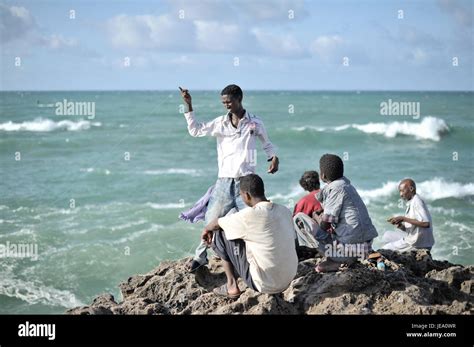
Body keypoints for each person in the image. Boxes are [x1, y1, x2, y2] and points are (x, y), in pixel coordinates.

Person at [179, 85, 280, 273]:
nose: (226, 105)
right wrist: (189, 105)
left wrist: (273, 157)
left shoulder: (255, 123)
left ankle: (262, 258)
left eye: (229, 102)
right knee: (211, 220)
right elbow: (195, 130)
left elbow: (267, 144)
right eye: (223, 102)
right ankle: (200, 257)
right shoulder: (220, 123)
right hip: (224, 182)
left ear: (239, 99)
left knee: (256, 220)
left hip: (247, 183)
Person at [201, 174, 298, 297]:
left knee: (220, 231)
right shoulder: (284, 210)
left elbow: (216, 223)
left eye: (241, 195)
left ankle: (231, 285)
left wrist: (206, 229)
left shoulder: (248, 216)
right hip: (289, 278)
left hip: (264, 284)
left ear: (246, 195)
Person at [315, 154, 378, 272]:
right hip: (366, 247)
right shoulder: (348, 186)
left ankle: (337, 260)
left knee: (302, 221)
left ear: (322, 175)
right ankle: (338, 259)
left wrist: (317, 218)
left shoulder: (334, 188)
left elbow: (326, 223)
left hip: (350, 249)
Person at [383, 179, 434, 252]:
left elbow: (426, 224)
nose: (401, 194)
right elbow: (413, 230)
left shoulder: (417, 202)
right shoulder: (413, 201)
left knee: (385, 248)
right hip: (416, 240)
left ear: (411, 189)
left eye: (402, 191)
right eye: (399, 192)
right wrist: (400, 225)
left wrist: (403, 218)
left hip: (418, 244)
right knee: (387, 235)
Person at [293, 171, 323, 249]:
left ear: (304, 186)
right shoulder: (328, 193)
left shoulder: (304, 201)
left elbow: (294, 222)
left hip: (319, 240)